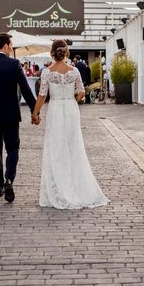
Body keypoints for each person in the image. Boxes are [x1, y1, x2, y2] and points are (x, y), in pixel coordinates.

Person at [31, 40, 109, 210]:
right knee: (73, 146)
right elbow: (82, 92)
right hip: (71, 109)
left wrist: (35, 113)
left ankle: (59, 188)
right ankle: (77, 187)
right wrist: (73, 101)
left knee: (56, 146)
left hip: (56, 109)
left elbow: (42, 95)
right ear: (66, 53)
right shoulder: (74, 72)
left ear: (52, 53)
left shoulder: (47, 72)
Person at [0, 33, 39, 202]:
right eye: (10, 45)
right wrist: (35, 111)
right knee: (12, 149)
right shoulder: (14, 64)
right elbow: (26, 89)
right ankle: (9, 179)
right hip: (11, 115)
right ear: (4, 46)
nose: (11, 48)